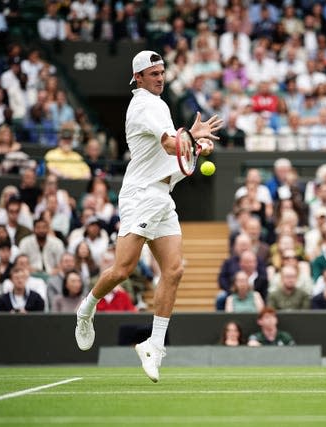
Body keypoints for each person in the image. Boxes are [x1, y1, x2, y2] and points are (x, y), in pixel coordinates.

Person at [74, 50, 222, 382]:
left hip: (162, 196)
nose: (160, 77)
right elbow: (171, 146)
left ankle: (154, 346)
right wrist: (191, 141)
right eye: (153, 74)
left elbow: (173, 151)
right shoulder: (143, 105)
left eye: (162, 72)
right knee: (123, 269)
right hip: (141, 196)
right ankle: (86, 308)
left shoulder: (161, 105)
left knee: (174, 270)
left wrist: (194, 144)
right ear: (137, 78)